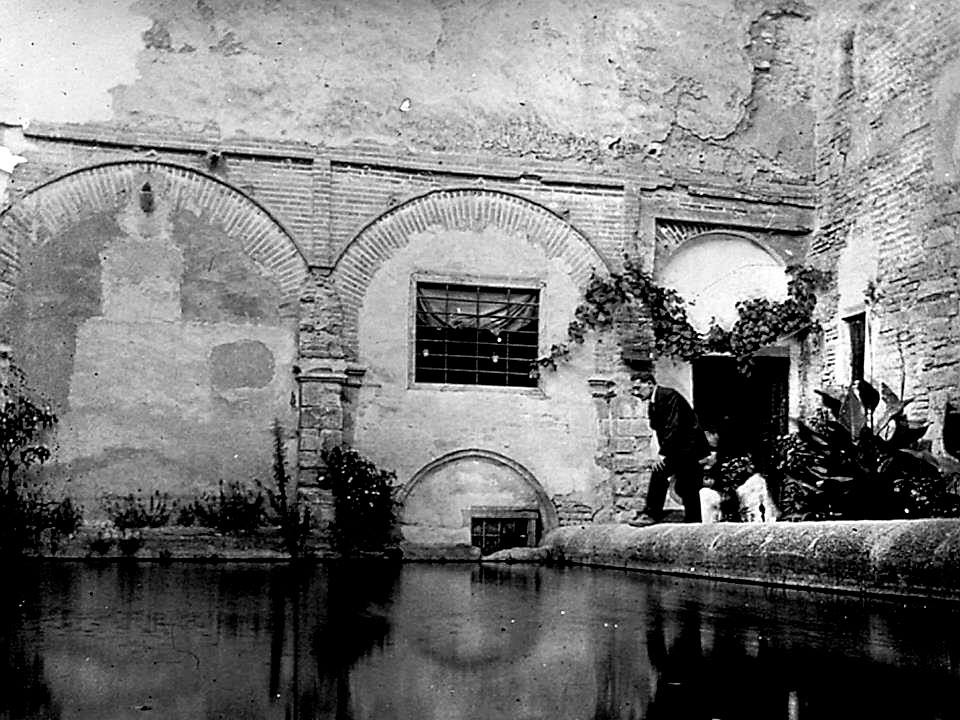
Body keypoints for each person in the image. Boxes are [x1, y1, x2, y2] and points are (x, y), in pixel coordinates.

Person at [629, 370, 710, 525]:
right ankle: (692, 521)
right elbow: (658, 429)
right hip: (681, 448)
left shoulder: (668, 395)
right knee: (689, 485)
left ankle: (652, 514)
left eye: (638, 388)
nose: (635, 393)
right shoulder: (654, 402)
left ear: (650, 384)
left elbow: (674, 426)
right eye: (634, 389)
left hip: (688, 447)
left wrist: (663, 454)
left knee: (662, 473)